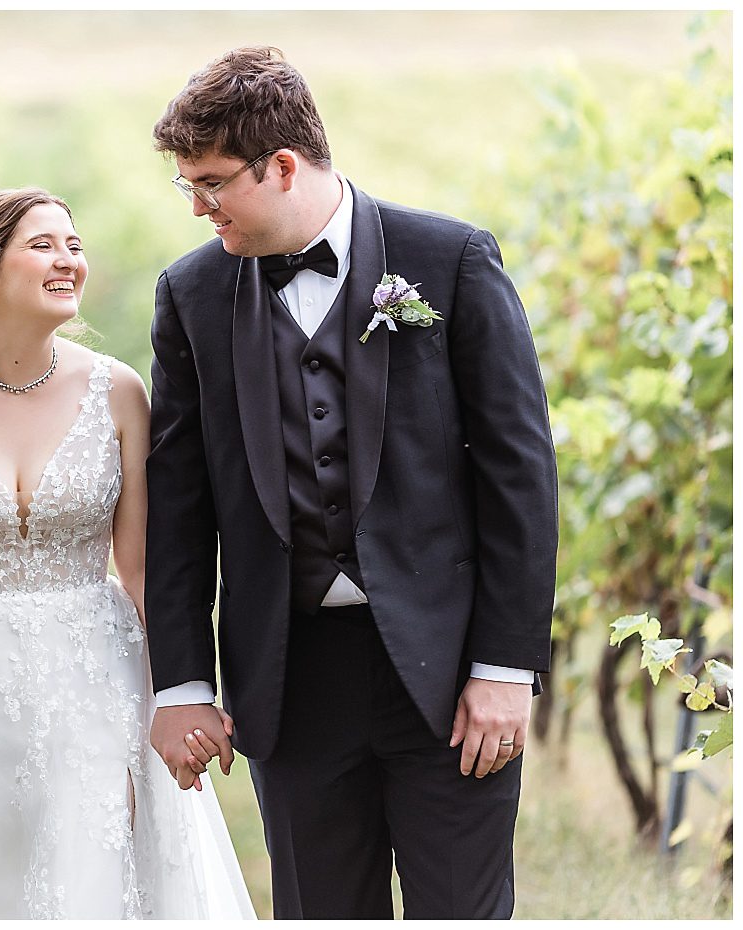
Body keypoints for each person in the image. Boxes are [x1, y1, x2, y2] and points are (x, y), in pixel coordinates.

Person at [144, 47, 558, 919]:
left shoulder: (449, 259)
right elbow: (178, 504)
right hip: (289, 681)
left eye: (211, 183)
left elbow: (521, 477)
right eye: (187, 187)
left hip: (448, 674)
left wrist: (505, 667)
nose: (197, 206)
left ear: (283, 166)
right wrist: (183, 685)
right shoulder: (191, 293)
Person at [0, 188, 254, 919]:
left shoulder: (119, 393)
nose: (68, 259)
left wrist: (178, 692)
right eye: (43, 245)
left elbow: (141, 570)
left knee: (88, 875)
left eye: (74, 245)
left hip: (94, 678)